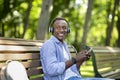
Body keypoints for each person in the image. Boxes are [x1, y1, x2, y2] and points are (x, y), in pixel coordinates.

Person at [40, 17, 114, 80]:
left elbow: (71, 70)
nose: (61, 30)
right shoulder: (49, 45)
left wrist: (80, 60)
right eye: (57, 28)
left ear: (68, 30)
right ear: (51, 30)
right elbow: (51, 70)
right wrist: (74, 59)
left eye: (64, 28)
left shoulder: (64, 45)